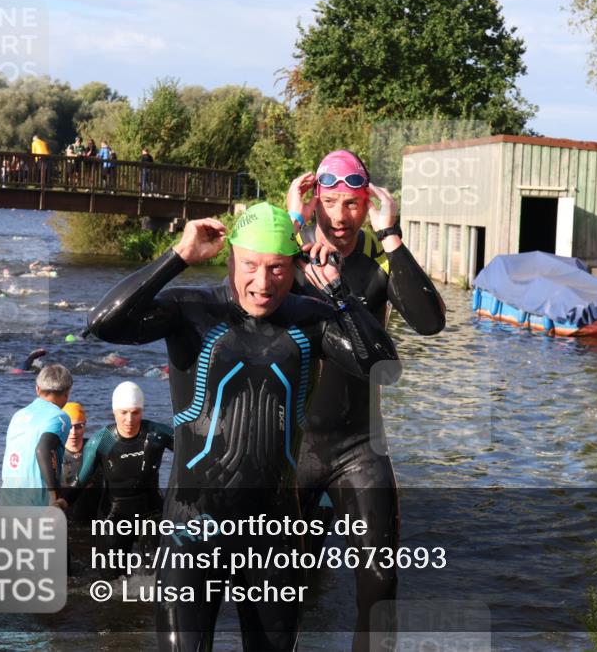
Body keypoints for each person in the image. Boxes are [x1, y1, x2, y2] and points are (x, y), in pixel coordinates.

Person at [87, 203, 399, 651]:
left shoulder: (310, 319)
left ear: (295, 265)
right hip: (189, 529)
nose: (263, 281)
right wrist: (178, 256)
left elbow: (383, 365)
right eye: (251, 265)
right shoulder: (192, 310)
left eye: (276, 268)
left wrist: (337, 292)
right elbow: (103, 323)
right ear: (230, 257)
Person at [287, 149, 446, 651]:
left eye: (352, 204)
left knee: (380, 583)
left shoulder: (376, 271)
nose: (340, 216)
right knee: (278, 582)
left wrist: (392, 236)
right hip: (294, 449)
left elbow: (429, 322)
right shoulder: (287, 262)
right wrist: (293, 225)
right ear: (314, 203)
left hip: (360, 446)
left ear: (367, 206)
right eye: (329, 202)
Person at [69, 382, 172, 572]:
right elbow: (80, 481)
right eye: (123, 413)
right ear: (114, 412)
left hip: (152, 513)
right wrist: (58, 504)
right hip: (114, 514)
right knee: (109, 577)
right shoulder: (102, 440)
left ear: (142, 411)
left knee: (158, 575)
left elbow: (193, 453)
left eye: (135, 413)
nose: (129, 419)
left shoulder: (156, 433)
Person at [0, 363, 73, 508]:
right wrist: (55, 497)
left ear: (37, 389)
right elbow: (43, 449)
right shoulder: (59, 417)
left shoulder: (18, 415)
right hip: (36, 506)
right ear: (67, 392)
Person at [60, 401, 103, 523]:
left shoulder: (96, 449)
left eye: (78, 426)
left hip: (93, 522)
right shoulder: (53, 454)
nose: (73, 432)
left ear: (85, 425)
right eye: (69, 427)